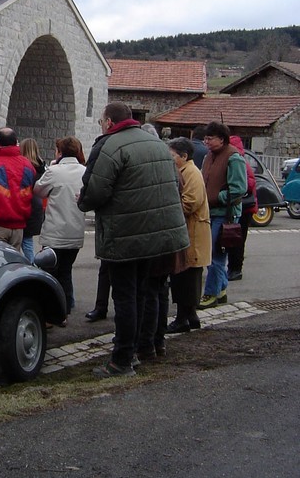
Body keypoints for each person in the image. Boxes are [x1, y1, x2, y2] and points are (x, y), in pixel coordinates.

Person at [78, 101, 189, 378]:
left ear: (110, 122)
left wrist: (83, 202)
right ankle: (139, 350)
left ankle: (121, 360)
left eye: (102, 121)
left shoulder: (110, 145)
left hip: (126, 235)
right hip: (158, 235)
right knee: (141, 294)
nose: (101, 126)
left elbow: (95, 191)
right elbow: (174, 186)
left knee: (126, 297)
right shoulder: (159, 146)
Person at [34, 137, 87, 323]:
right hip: (75, 230)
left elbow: (38, 190)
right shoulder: (85, 171)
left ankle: (54, 311)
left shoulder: (54, 171)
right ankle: (67, 306)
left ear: (60, 152)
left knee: (51, 272)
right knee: (66, 270)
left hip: (55, 231)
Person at [199, 121, 247, 309]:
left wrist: (215, 196)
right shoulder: (209, 156)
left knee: (215, 256)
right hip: (210, 212)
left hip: (224, 215)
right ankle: (221, 289)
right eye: (205, 138)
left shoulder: (234, 157)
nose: (206, 142)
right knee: (214, 253)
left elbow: (239, 189)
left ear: (222, 139)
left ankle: (211, 294)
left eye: (210, 138)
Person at [166, 137, 212, 332]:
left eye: (173, 155)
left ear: (184, 156)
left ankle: (183, 318)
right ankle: (190, 316)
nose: (170, 159)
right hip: (188, 233)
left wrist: (169, 207)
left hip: (192, 233)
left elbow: (190, 203)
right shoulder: (185, 170)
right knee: (184, 277)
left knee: (187, 277)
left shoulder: (191, 173)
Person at [227, 135, 258, 281]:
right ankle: (234, 268)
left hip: (244, 207)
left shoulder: (238, 160)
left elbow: (249, 183)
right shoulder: (240, 159)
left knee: (237, 239)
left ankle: (236, 269)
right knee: (235, 239)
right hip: (243, 207)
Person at [19, 138, 47, 263]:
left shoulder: (24, 167)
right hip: (36, 205)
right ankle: (31, 264)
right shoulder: (42, 167)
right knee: (27, 240)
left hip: (25, 205)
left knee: (23, 241)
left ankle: (31, 265)